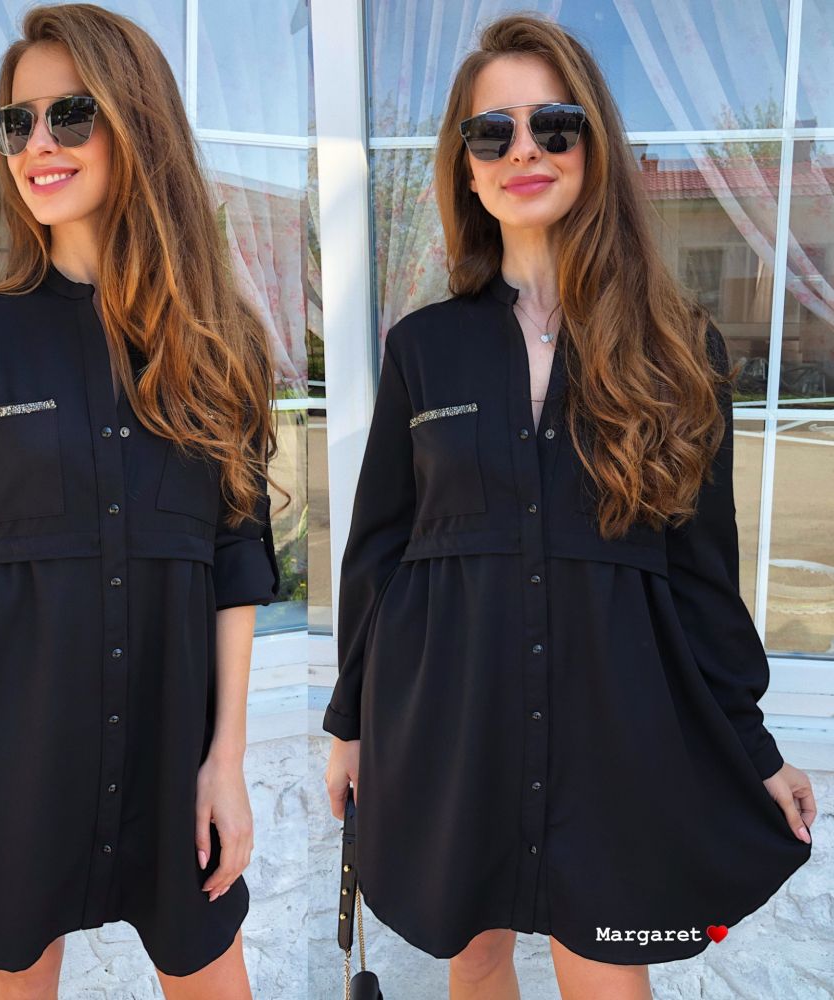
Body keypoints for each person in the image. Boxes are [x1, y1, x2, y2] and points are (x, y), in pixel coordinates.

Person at [322, 13, 816, 1000]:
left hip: (614, 724)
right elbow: (378, 552)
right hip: (450, 713)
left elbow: (702, 575)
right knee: (476, 953)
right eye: (490, 132)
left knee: (605, 964)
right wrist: (349, 725)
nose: (523, 151)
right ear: (465, 167)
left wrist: (752, 745)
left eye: (553, 125)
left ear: (593, 146)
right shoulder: (422, 348)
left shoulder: (680, 349)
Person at [0, 4, 283, 998]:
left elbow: (237, 558)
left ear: (136, 121)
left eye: (70, 114)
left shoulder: (218, 340)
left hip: (171, 746)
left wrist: (225, 760)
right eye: (17, 123)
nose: (37, 145)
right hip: (5, 743)